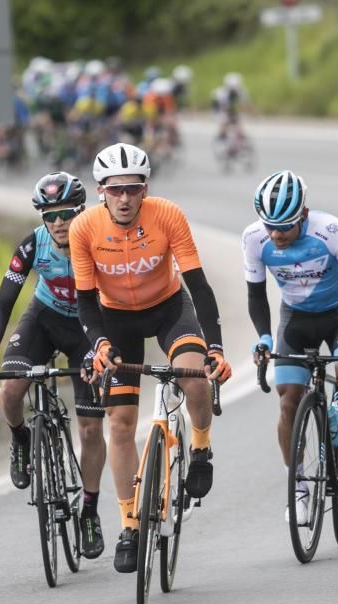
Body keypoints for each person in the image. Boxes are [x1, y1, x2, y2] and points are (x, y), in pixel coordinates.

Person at [68, 143, 231, 573]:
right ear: (101, 190)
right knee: (120, 425)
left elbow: (198, 284)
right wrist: (99, 345)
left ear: (145, 189)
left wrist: (214, 346)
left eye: (133, 189)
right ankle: (129, 524)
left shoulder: (167, 215)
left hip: (169, 308)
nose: (124, 199)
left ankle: (199, 448)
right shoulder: (84, 229)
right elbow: (85, 304)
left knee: (194, 378)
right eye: (116, 190)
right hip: (115, 321)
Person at [0, 172, 109, 560]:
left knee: (90, 427)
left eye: (66, 213)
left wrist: (103, 350)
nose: (59, 223)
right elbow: (2, 305)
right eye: (50, 216)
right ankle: (20, 439)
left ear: (81, 211)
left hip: (88, 327)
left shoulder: (99, 239)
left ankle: (89, 510)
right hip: (44, 318)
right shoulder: (34, 244)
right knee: (10, 390)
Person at [243, 170, 338, 525]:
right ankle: (299, 487)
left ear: (304, 214)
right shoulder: (255, 239)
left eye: (284, 226)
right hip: (296, 317)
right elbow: (256, 294)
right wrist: (263, 336)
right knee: (288, 399)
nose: (276, 234)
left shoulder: (330, 231)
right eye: (269, 225)